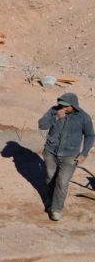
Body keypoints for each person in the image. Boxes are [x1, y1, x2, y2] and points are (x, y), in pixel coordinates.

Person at [38, 92, 95, 221]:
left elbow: (90, 135)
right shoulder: (54, 111)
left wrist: (84, 153)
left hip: (70, 156)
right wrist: (55, 118)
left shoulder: (83, 117)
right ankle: (50, 199)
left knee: (62, 182)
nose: (62, 107)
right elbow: (42, 125)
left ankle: (56, 209)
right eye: (60, 105)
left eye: (65, 106)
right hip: (50, 152)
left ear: (73, 106)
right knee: (50, 178)